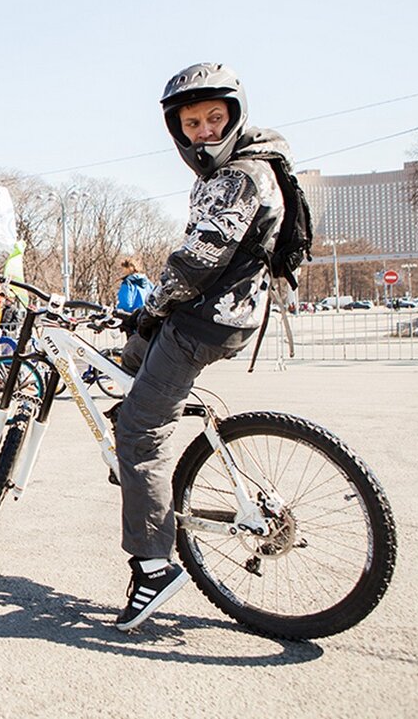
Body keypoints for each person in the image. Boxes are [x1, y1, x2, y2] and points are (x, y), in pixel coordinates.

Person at [112, 63, 288, 631]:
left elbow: (199, 259)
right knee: (132, 363)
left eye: (216, 118)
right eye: (194, 123)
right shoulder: (244, 170)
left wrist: (153, 305)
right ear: (177, 128)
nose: (206, 131)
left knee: (140, 431)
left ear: (235, 117)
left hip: (205, 321)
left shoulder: (238, 176)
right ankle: (143, 468)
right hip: (219, 314)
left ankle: (155, 567)